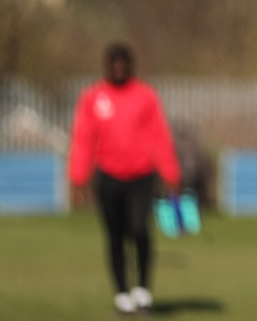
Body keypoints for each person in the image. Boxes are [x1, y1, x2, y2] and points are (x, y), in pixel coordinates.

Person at [68, 42, 182, 315]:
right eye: (114, 64)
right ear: (107, 66)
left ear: (130, 66)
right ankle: (122, 294)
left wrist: (170, 172)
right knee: (115, 235)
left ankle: (142, 290)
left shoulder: (145, 95)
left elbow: (159, 135)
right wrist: (78, 178)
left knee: (140, 229)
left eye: (123, 64)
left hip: (141, 176)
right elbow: (83, 139)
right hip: (108, 177)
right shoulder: (93, 97)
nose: (119, 68)